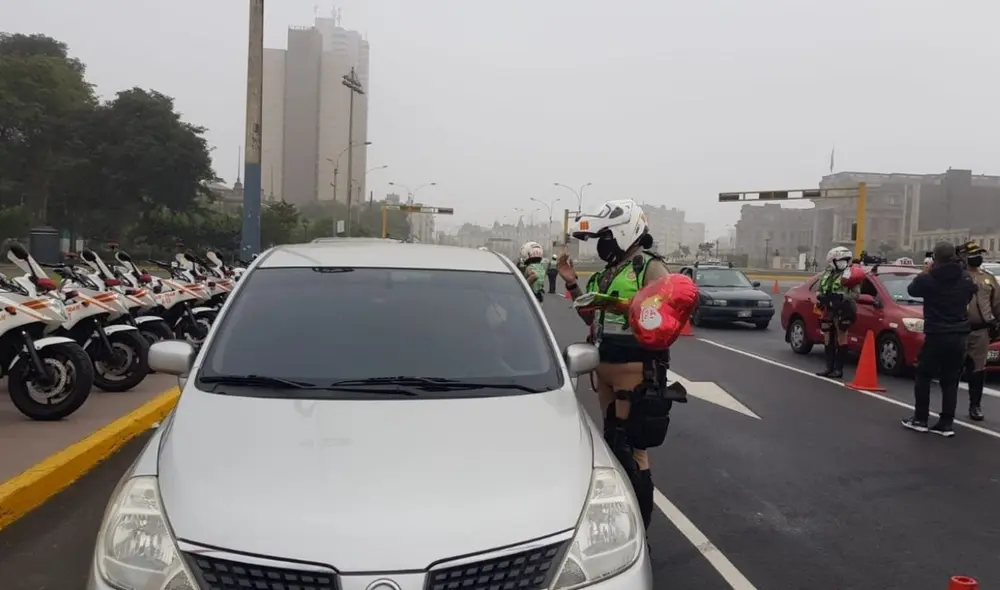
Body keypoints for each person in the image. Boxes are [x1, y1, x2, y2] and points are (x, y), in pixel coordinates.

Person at [555, 199, 673, 531]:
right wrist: (570, 281)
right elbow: (589, 316)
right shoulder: (606, 273)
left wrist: (630, 308)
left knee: (630, 449)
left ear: (624, 231)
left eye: (606, 235)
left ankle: (638, 530)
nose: (601, 243)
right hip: (602, 366)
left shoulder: (649, 267)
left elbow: (667, 316)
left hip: (634, 369)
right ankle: (613, 522)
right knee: (610, 444)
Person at [902, 241, 977, 437]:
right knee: (950, 380)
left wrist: (925, 271)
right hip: (959, 333)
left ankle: (920, 419)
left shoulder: (929, 279)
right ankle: (946, 423)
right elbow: (970, 294)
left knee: (924, 376)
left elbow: (912, 290)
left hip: (937, 333)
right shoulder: (965, 277)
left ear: (935, 258)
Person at [963, 246, 998, 422]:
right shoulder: (958, 277)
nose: (977, 258)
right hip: (958, 329)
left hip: (981, 330)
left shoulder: (988, 279)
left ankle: (975, 405)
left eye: (979, 255)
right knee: (952, 369)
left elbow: (997, 303)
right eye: (973, 255)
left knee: (978, 369)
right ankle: (947, 409)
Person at [814, 246, 860, 379]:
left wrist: (842, 297)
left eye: (845, 259)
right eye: (839, 260)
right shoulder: (826, 274)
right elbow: (818, 289)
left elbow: (856, 294)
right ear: (832, 261)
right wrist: (821, 296)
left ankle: (838, 369)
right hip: (828, 308)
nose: (842, 262)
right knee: (827, 336)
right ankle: (829, 367)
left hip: (843, 309)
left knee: (841, 337)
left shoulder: (850, 275)